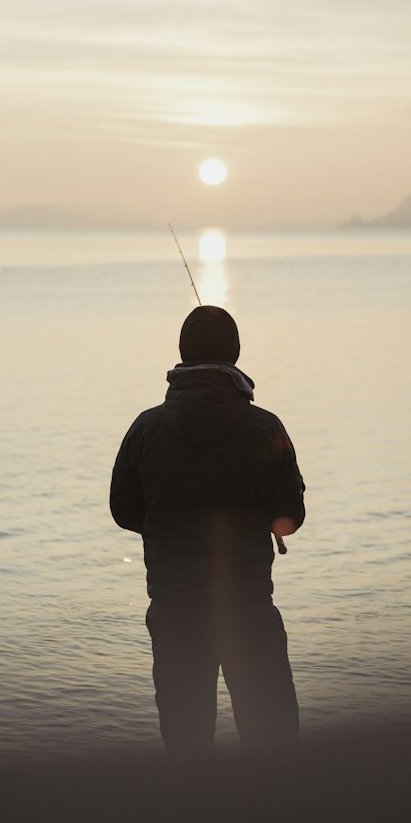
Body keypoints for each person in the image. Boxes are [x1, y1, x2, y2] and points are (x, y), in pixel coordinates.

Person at [110, 304, 305, 756]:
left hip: (175, 607)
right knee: (272, 745)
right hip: (247, 608)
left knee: (187, 748)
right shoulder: (265, 428)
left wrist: (166, 526)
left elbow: (123, 510)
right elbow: (290, 516)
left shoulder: (146, 429)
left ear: (182, 355)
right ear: (235, 354)